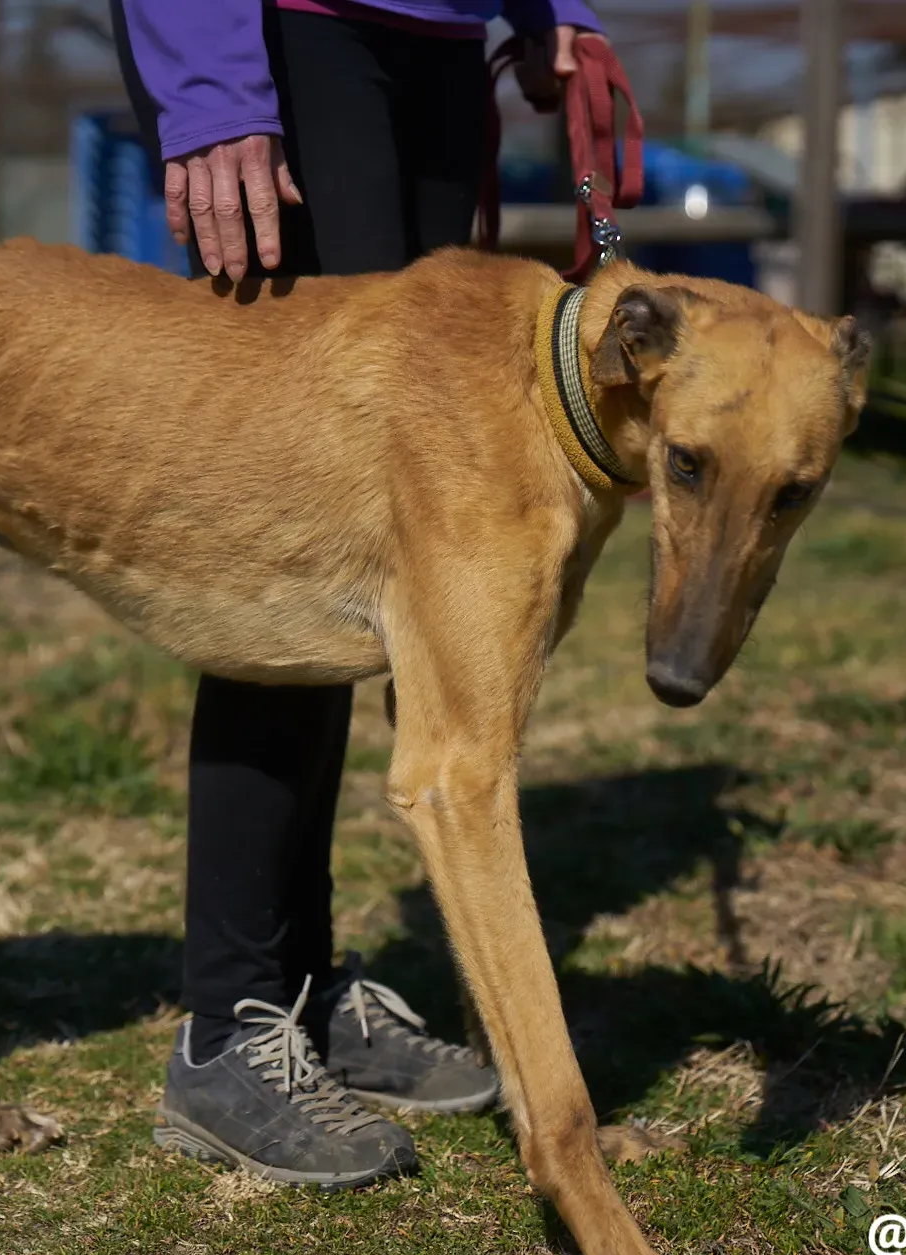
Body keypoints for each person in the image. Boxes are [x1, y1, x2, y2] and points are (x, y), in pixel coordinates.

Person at [111, 0, 610, 1187]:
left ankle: (305, 987)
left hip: (435, 39)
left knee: (375, 562)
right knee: (294, 536)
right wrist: (215, 86)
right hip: (284, 31)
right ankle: (227, 1024)